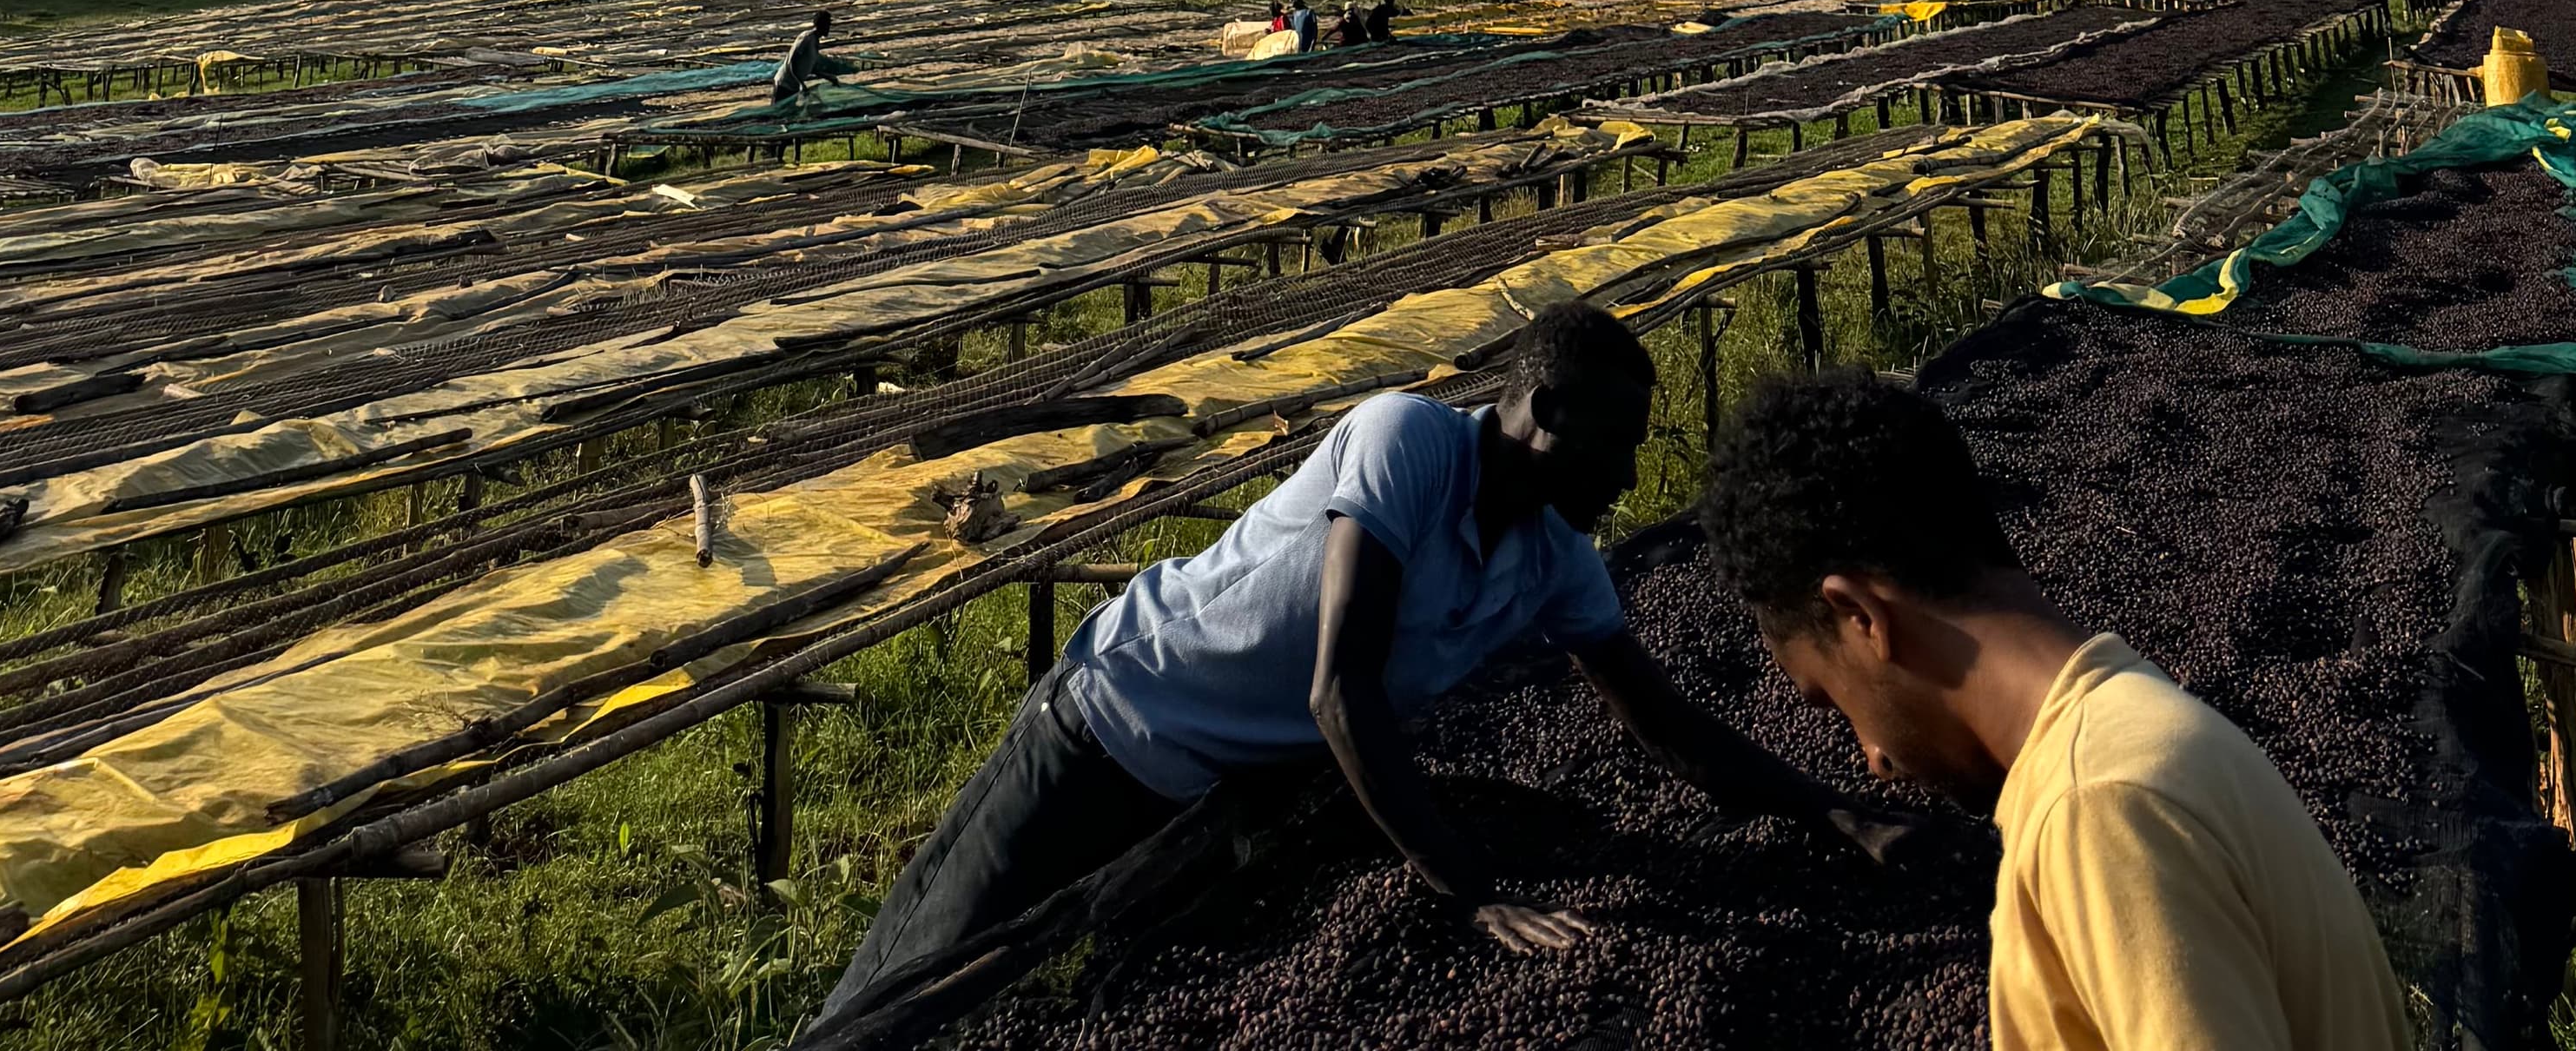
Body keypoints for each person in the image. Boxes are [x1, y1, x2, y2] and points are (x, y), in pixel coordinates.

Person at [817, 302, 1920, 1025]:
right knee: (912, 981)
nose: (1631, 470)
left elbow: (1667, 723)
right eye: (1617, 440)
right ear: (1539, 412)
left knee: (1037, 990)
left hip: (1223, 790)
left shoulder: (1552, 559)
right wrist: (1471, 893)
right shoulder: (1408, 443)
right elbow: (1339, 691)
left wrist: (1836, 814)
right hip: (1109, 728)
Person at [1697, 369, 2411, 1051]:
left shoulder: (2097, 808)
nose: (1875, 759)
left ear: (1861, 617)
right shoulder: (2134, 730)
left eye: (1836, 701)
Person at [768, 8, 842, 106]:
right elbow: (792, 61)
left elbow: (811, 68)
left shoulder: (815, 41)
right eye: (828, 25)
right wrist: (800, 83)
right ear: (821, 25)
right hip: (784, 83)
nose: (829, 28)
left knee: (787, 114)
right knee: (776, 112)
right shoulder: (807, 38)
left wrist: (828, 77)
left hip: (793, 86)